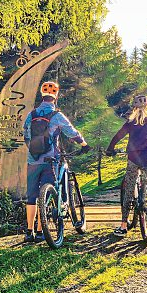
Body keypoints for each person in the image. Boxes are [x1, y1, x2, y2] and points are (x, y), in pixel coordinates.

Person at [23, 81, 90, 242]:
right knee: (46, 195)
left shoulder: (31, 115)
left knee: (32, 196)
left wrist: (33, 150)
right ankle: (41, 232)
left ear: (42, 95)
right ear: (56, 96)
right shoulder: (56, 115)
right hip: (50, 160)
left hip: (32, 161)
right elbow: (71, 132)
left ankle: (29, 231)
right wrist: (84, 144)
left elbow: (26, 134)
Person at [106, 95, 147, 237]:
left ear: (135, 108)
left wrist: (110, 148)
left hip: (133, 158)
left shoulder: (131, 121)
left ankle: (123, 226)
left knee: (129, 189)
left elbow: (118, 136)